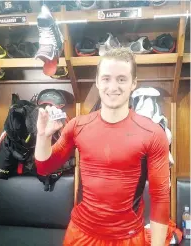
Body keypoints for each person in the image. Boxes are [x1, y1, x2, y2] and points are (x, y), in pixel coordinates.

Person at [35, 48, 170, 246]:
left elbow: (159, 198)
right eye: (106, 78)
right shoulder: (78, 126)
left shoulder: (152, 133)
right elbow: (44, 167)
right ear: (97, 81)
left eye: (121, 79)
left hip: (128, 238)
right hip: (80, 234)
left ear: (133, 83)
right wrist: (43, 136)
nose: (113, 86)